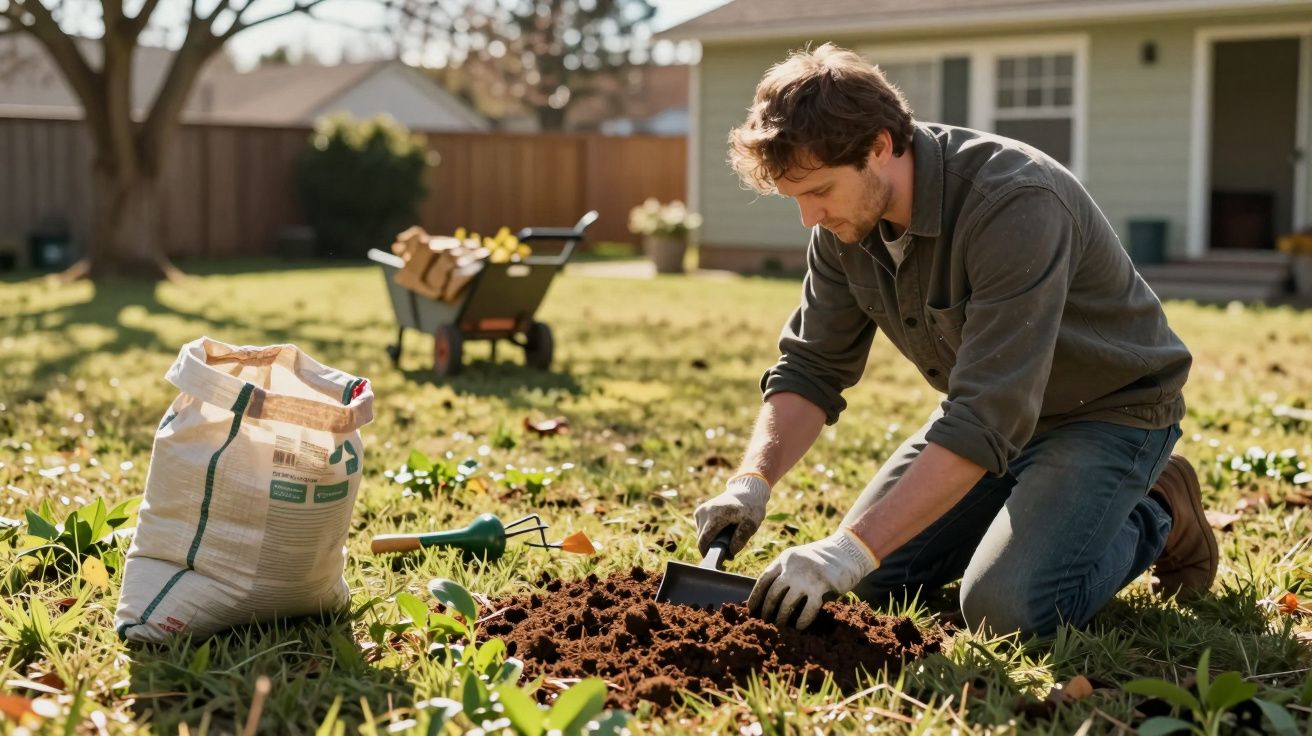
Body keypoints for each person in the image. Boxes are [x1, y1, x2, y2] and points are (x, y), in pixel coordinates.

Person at [693, 43, 1218, 638]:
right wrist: (751, 482)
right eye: (796, 199)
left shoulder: (1014, 203)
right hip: (991, 423)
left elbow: (985, 414)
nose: (809, 218)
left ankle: (1160, 510)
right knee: (867, 583)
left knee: (1007, 609)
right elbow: (811, 368)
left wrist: (846, 547)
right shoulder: (844, 226)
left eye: (818, 192)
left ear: (879, 147)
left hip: (1107, 414)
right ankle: (1030, 508)